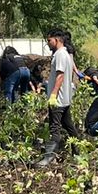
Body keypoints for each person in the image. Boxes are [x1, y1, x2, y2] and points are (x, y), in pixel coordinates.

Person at [37, 28, 79, 167]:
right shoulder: (64, 53)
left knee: (54, 128)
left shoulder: (60, 54)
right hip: (65, 99)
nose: (48, 43)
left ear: (56, 40)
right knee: (69, 127)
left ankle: (48, 158)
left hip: (58, 100)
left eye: (49, 40)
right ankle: (77, 153)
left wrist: (53, 94)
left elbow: (60, 76)